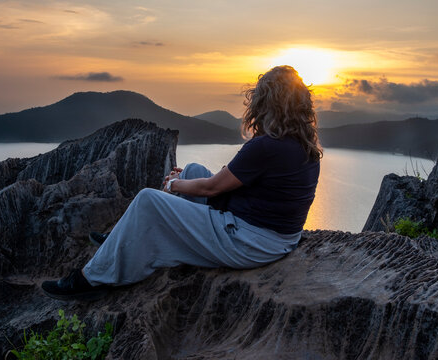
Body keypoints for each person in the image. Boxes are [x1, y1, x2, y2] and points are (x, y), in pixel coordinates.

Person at [42, 65, 322, 301]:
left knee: (149, 200)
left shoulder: (267, 146)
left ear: (267, 104)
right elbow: (242, 182)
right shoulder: (302, 145)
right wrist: (184, 180)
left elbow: (211, 188)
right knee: (192, 170)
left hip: (252, 242)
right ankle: (126, 240)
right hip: (273, 237)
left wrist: (173, 186)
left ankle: (93, 279)